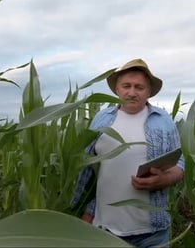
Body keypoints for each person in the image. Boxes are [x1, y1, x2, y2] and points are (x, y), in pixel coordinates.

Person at [71, 59, 184, 248]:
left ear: (149, 92)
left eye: (139, 87)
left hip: (153, 234)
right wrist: (87, 213)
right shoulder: (101, 120)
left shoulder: (163, 120)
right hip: (104, 231)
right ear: (117, 89)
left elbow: (179, 163)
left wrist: (164, 179)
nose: (132, 92)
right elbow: (90, 172)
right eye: (126, 86)